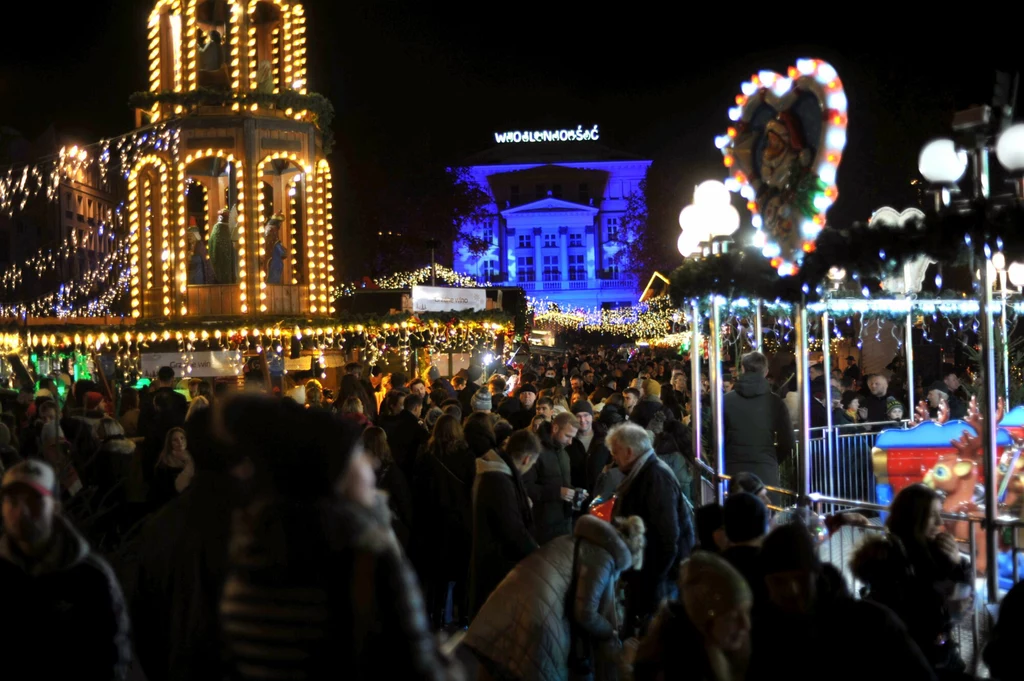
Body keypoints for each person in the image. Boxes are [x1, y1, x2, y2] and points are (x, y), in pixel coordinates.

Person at [464, 514, 646, 681]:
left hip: (514, 599)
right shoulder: (604, 558)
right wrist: (610, 631)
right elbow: (585, 613)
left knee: (497, 665)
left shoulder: (581, 541)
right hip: (536, 615)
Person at [0, 460, 131, 679]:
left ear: (56, 506)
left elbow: (112, 652)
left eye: (34, 500)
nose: (21, 511)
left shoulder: (90, 576)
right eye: (12, 500)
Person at [851, 483, 971, 677]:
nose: (940, 522)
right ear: (914, 517)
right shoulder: (888, 558)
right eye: (933, 515)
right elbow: (936, 615)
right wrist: (956, 573)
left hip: (941, 657)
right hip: (910, 662)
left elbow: (959, 611)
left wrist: (958, 566)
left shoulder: (935, 554)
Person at [608, 422, 695, 635]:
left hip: (658, 581)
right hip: (651, 576)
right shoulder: (645, 472)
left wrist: (650, 584)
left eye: (615, 452)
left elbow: (667, 538)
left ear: (629, 452)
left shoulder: (655, 477)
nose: (613, 457)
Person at [469, 429, 540, 617]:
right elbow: (512, 531)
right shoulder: (498, 480)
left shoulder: (495, 472)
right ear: (526, 459)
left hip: (492, 564)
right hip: (498, 569)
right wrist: (539, 555)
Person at [723, 352, 793, 495]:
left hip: (733, 470)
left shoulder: (725, 401)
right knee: (767, 513)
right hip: (765, 471)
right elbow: (788, 441)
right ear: (766, 372)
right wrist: (771, 459)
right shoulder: (775, 402)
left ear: (742, 369)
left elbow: (714, 438)